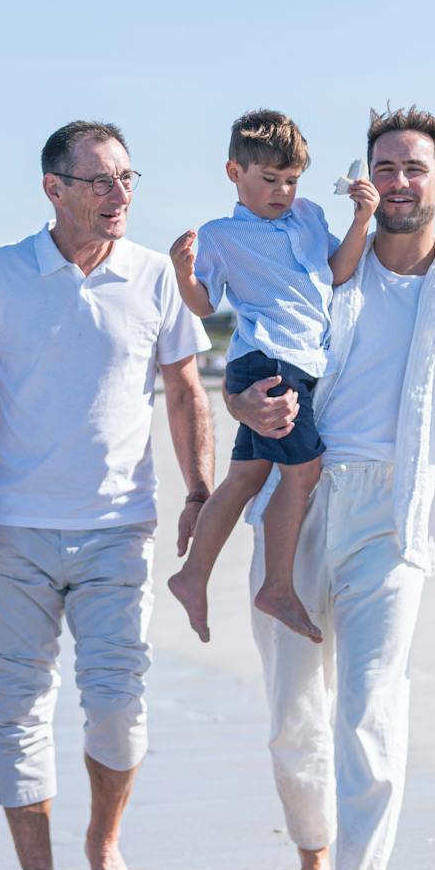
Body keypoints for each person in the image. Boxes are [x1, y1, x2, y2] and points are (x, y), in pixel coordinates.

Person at [228, 106, 435, 870]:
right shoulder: (322, 267)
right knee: (294, 714)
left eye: (414, 167)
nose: (401, 181)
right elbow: (246, 368)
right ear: (366, 180)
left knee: (369, 711)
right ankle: (313, 855)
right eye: (385, 167)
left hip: (395, 518)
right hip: (296, 498)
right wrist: (240, 404)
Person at [0, 120, 217, 870]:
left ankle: (104, 843)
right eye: (99, 180)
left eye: (128, 178)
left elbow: (185, 389)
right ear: (53, 189)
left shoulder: (154, 276)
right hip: (16, 523)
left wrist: (199, 490)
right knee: (17, 705)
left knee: (118, 706)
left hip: (118, 526)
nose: (119, 194)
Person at [163, 108, 376, 645]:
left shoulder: (306, 216)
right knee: (303, 472)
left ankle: (192, 575)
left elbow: (339, 271)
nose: (281, 191)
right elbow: (204, 305)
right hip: (270, 360)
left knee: (247, 477)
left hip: (298, 361)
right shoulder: (219, 236)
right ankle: (277, 587)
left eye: (291, 180)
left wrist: (359, 222)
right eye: (269, 180)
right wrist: (183, 273)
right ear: (235, 172)